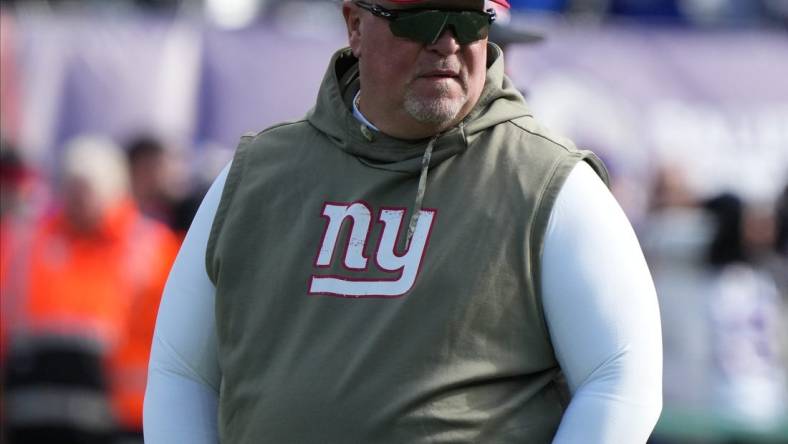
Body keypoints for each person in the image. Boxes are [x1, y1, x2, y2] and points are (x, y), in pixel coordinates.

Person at [144, 1, 662, 442]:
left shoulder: (551, 182)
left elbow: (621, 377)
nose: (445, 42)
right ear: (354, 24)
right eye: (419, 18)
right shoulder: (257, 173)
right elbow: (181, 373)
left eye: (466, 19)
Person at [1, 135, 179, 444]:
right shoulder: (27, 246)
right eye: (72, 186)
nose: (79, 197)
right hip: (31, 421)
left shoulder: (152, 247)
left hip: (124, 422)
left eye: (89, 187)